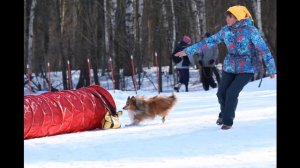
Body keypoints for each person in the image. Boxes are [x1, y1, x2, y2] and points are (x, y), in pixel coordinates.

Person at [175, 5, 276, 130]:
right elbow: (208, 42)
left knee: (232, 93)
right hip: (230, 66)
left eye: (230, 17)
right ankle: (223, 114)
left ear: (237, 17)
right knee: (221, 93)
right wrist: (188, 51)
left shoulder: (250, 31)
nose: (227, 19)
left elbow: (263, 50)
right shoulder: (225, 31)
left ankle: (227, 121)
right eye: (227, 17)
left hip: (247, 68)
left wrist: (271, 68)